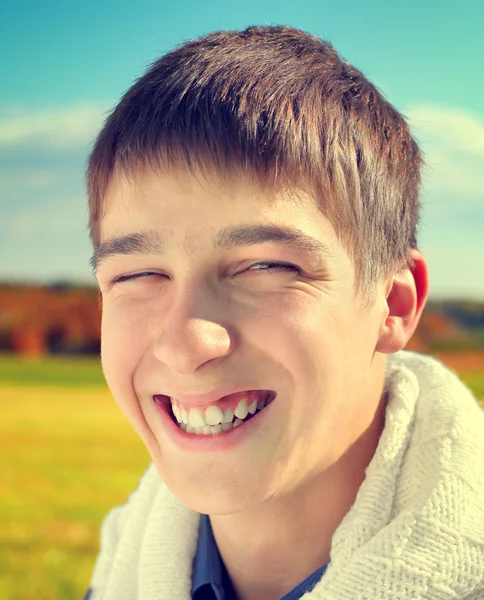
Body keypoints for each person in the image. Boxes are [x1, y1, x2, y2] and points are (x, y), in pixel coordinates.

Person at [83, 25, 484, 600]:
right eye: (137, 275)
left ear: (394, 304)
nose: (185, 343)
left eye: (266, 268)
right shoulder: (123, 564)